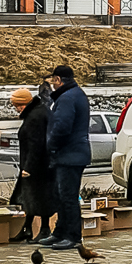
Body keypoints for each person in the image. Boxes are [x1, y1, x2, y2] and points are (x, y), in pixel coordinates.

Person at [41, 65, 91, 250]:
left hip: (70, 155)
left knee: (68, 197)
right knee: (61, 196)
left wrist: (51, 147)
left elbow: (62, 127)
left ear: (59, 80)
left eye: (54, 80)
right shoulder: (74, 94)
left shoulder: (67, 98)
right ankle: (60, 233)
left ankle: (73, 236)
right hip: (72, 154)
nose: (53, 84)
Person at [6, 88, 55, 243]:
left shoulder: (35, 117)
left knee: (39, 197)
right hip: (39, 164)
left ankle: (44, 229)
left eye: (17, 105)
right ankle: (27, 228)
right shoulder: (37, 112)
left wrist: (28, 167)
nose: (16, 109)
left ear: (23, 103)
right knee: (29, 198)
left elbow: (36, 145)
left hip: (38, 166)